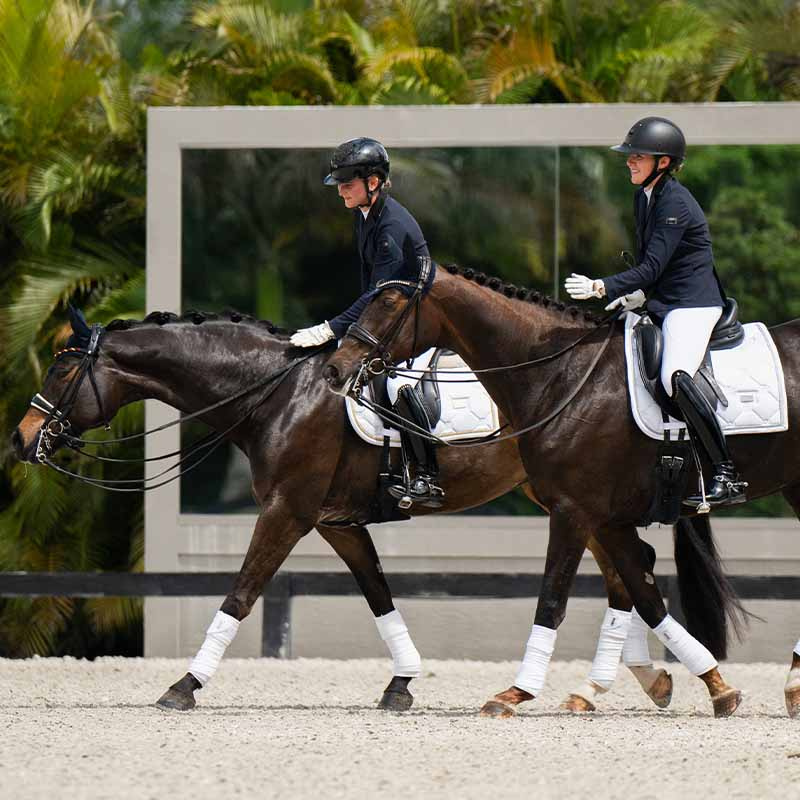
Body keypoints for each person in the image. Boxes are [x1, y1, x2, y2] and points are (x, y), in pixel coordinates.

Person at [564, 116, 746, 506]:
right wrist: (637, 297)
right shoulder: (645, 195)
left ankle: (725, 472)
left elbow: (651, 267)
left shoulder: (675, 203)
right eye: (629, 156)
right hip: (664, 299)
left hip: (692, 305)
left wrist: (602, 286)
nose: (629, 162)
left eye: (638, 157)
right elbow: (653, 266)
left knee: (674, 376)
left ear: (662, 163)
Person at [290, 137, 444, 507]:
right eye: (339, 183)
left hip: (417, 318)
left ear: (372, 182)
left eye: (347, 183)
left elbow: (379, 293)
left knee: (398, 387)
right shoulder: (365, 215)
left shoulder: (391, 226)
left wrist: (331, 328)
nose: (340, 190)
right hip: (390, 317)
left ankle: (426, 476)